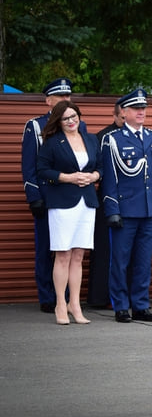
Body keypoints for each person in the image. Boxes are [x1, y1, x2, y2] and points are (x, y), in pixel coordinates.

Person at [99, 89, 152, 323]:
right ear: (124, 112)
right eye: (136, 109)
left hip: (148, 210)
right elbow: (109, 179)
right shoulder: (113, 139)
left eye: (143, 108)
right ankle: (120, 305)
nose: (141, 112)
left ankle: (141, 305)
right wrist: (112, 210)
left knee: (143, 261)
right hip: (125, 210)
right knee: (120, 260)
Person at [36, 100, 102, 325]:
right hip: (62, 203)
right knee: (63, 255)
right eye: (66, 118)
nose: (71, 121)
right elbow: (42, 170)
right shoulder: (52, 142)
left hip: (87, 203)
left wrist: (94, 176)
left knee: (79, 256)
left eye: (74, 116)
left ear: (80, 117)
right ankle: (60, 304)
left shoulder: (91, 139)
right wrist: (68, 177)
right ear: (58, 121)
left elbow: (100, 167)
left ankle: (75, 305)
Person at [20, 78, 81, 313]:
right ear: (49, 101)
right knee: (47, 247)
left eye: (68, 96)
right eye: (61, 97)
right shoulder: (36, 126)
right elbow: (29, 165)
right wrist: (33, 196)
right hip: (47, 196)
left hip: (72, 197)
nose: (66, 100)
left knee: (71, 249)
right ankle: (48, 297)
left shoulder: (78, 126)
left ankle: (67, 297)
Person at [87, 101, 125, 309]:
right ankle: (99, 297)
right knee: (104, 251)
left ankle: (122, 296)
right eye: (122, 116)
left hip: (132, 202)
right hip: (106, 202)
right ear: (117, 115)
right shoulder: (102, 138)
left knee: (125, 254)